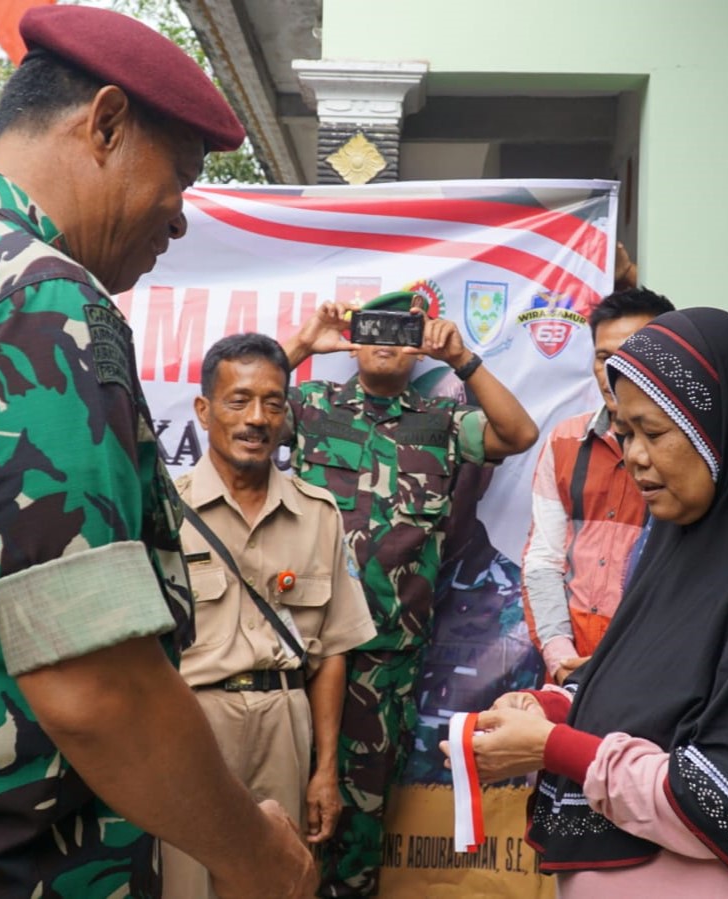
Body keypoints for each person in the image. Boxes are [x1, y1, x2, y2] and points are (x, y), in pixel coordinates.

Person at [0, 6, 318, 899]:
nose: (179, 220)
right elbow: (95, 684)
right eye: (180, 180)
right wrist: (255, 854)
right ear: (105, 123)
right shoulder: (42, 301)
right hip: (0, 862)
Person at [450, 307, 728, 897]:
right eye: (624, 433)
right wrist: (553, 707)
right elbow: (644, 685)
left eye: (653, 433)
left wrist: (557, 748)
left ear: (720, 426)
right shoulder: (676, 548)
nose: (632, 456)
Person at [282, 290, 540, 897]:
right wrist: (303, 341)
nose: (387, 339)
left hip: (386, 657)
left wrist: (464, 359)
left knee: (362, 812)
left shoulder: (442, 421)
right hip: (301, 649)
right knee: (280, 795)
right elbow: (238, 406)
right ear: (353, 335)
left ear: (420, 340)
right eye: (374, 326)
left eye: (403, 328)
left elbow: (520, 433)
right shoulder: (313, 405)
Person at [162, 334, 375, 899]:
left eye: (273, 403)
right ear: (204, 411)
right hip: (191, 726)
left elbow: (331, 651)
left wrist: (324, 769)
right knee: (187, 886)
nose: (257, 418)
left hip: (285, 721)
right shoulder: (161, 511)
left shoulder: (318, 515)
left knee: (280, 882)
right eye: (239, 400)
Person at [520, 287, 675, 683]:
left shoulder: (687, 450)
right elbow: (543, 560)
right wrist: (560, 657)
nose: (614, 372)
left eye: (632, 356)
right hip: (569, 664)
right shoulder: (565, 440)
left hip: (656, 664)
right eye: (604, 357)